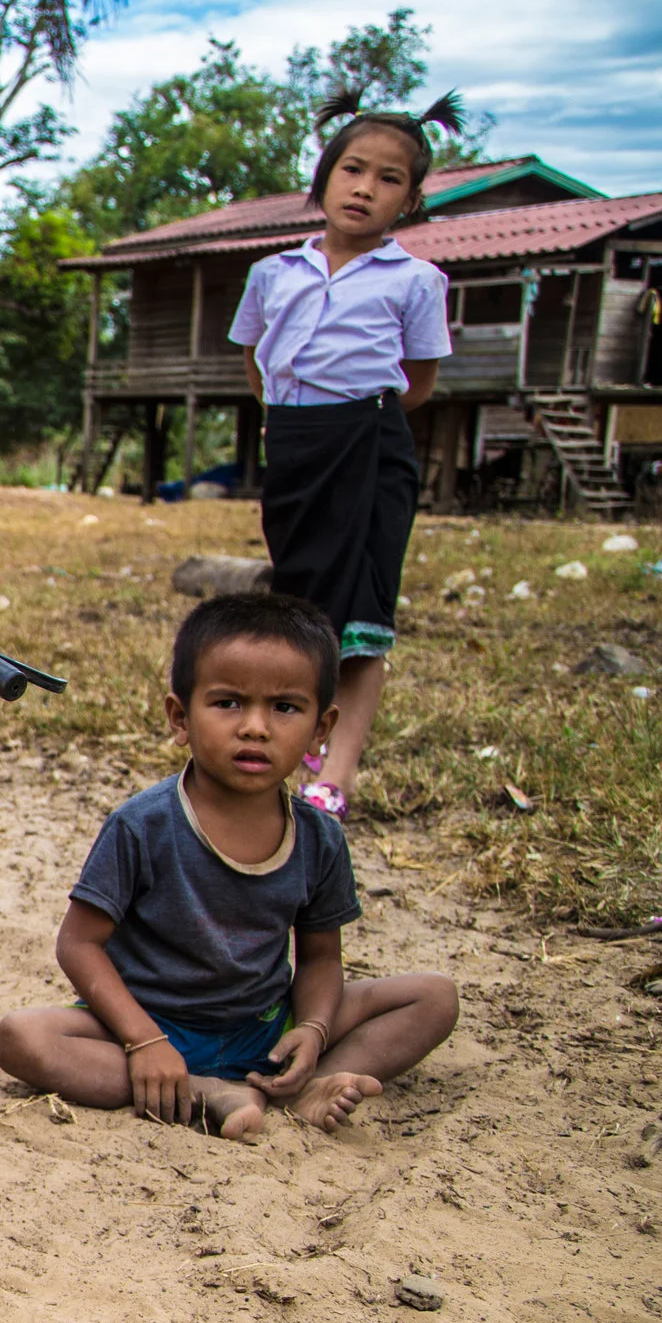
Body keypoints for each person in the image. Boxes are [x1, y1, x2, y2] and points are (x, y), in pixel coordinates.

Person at [0, 594, 458, 1139]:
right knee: (22, 1038)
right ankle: (200, 1088)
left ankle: (303, 1082)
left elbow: (321, 958)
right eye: (229, 703)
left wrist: (312, 1028)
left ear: (320, 728)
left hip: (265, 1025)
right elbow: (79, 944)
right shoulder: (143, 825)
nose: (255, 727)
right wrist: (145, 1041)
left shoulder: (318, 837)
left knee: (433, 997)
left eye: (285, 707)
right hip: (146, 1024)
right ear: (180, 717)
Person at [227, 88, 464, 818]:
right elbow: (256, 361)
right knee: (299, 606)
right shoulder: (273, 272)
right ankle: (279, 751)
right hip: (294, 448)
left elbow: (417, 383)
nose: (366, 188)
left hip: (369, 444)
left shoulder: (416, 281)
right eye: (353, 169)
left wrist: (355, 422)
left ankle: (338, 773)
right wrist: (289, 423)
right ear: (324, 177)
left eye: (390, 179)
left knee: (361, 615)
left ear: (412, 201)